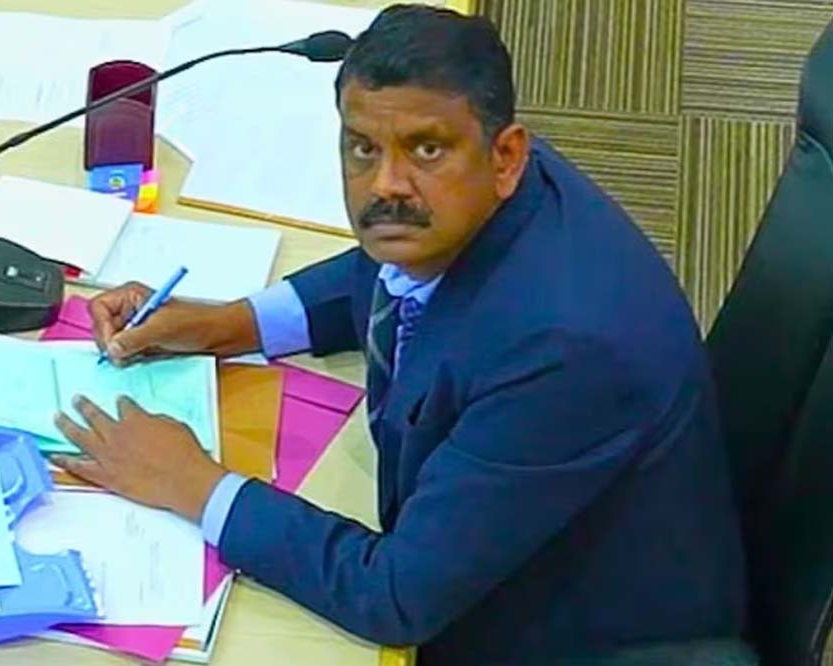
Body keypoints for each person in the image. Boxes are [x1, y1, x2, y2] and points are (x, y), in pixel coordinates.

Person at [52, 5, 747, 664]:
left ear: (506, 155)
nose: (386, 185)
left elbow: (394, 598)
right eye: (362, 147)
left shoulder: (565, 351)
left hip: (566, 637)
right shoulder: (478, 193)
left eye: (425, 149)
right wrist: (229, 324)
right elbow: (385, 262)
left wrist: (194, 484)